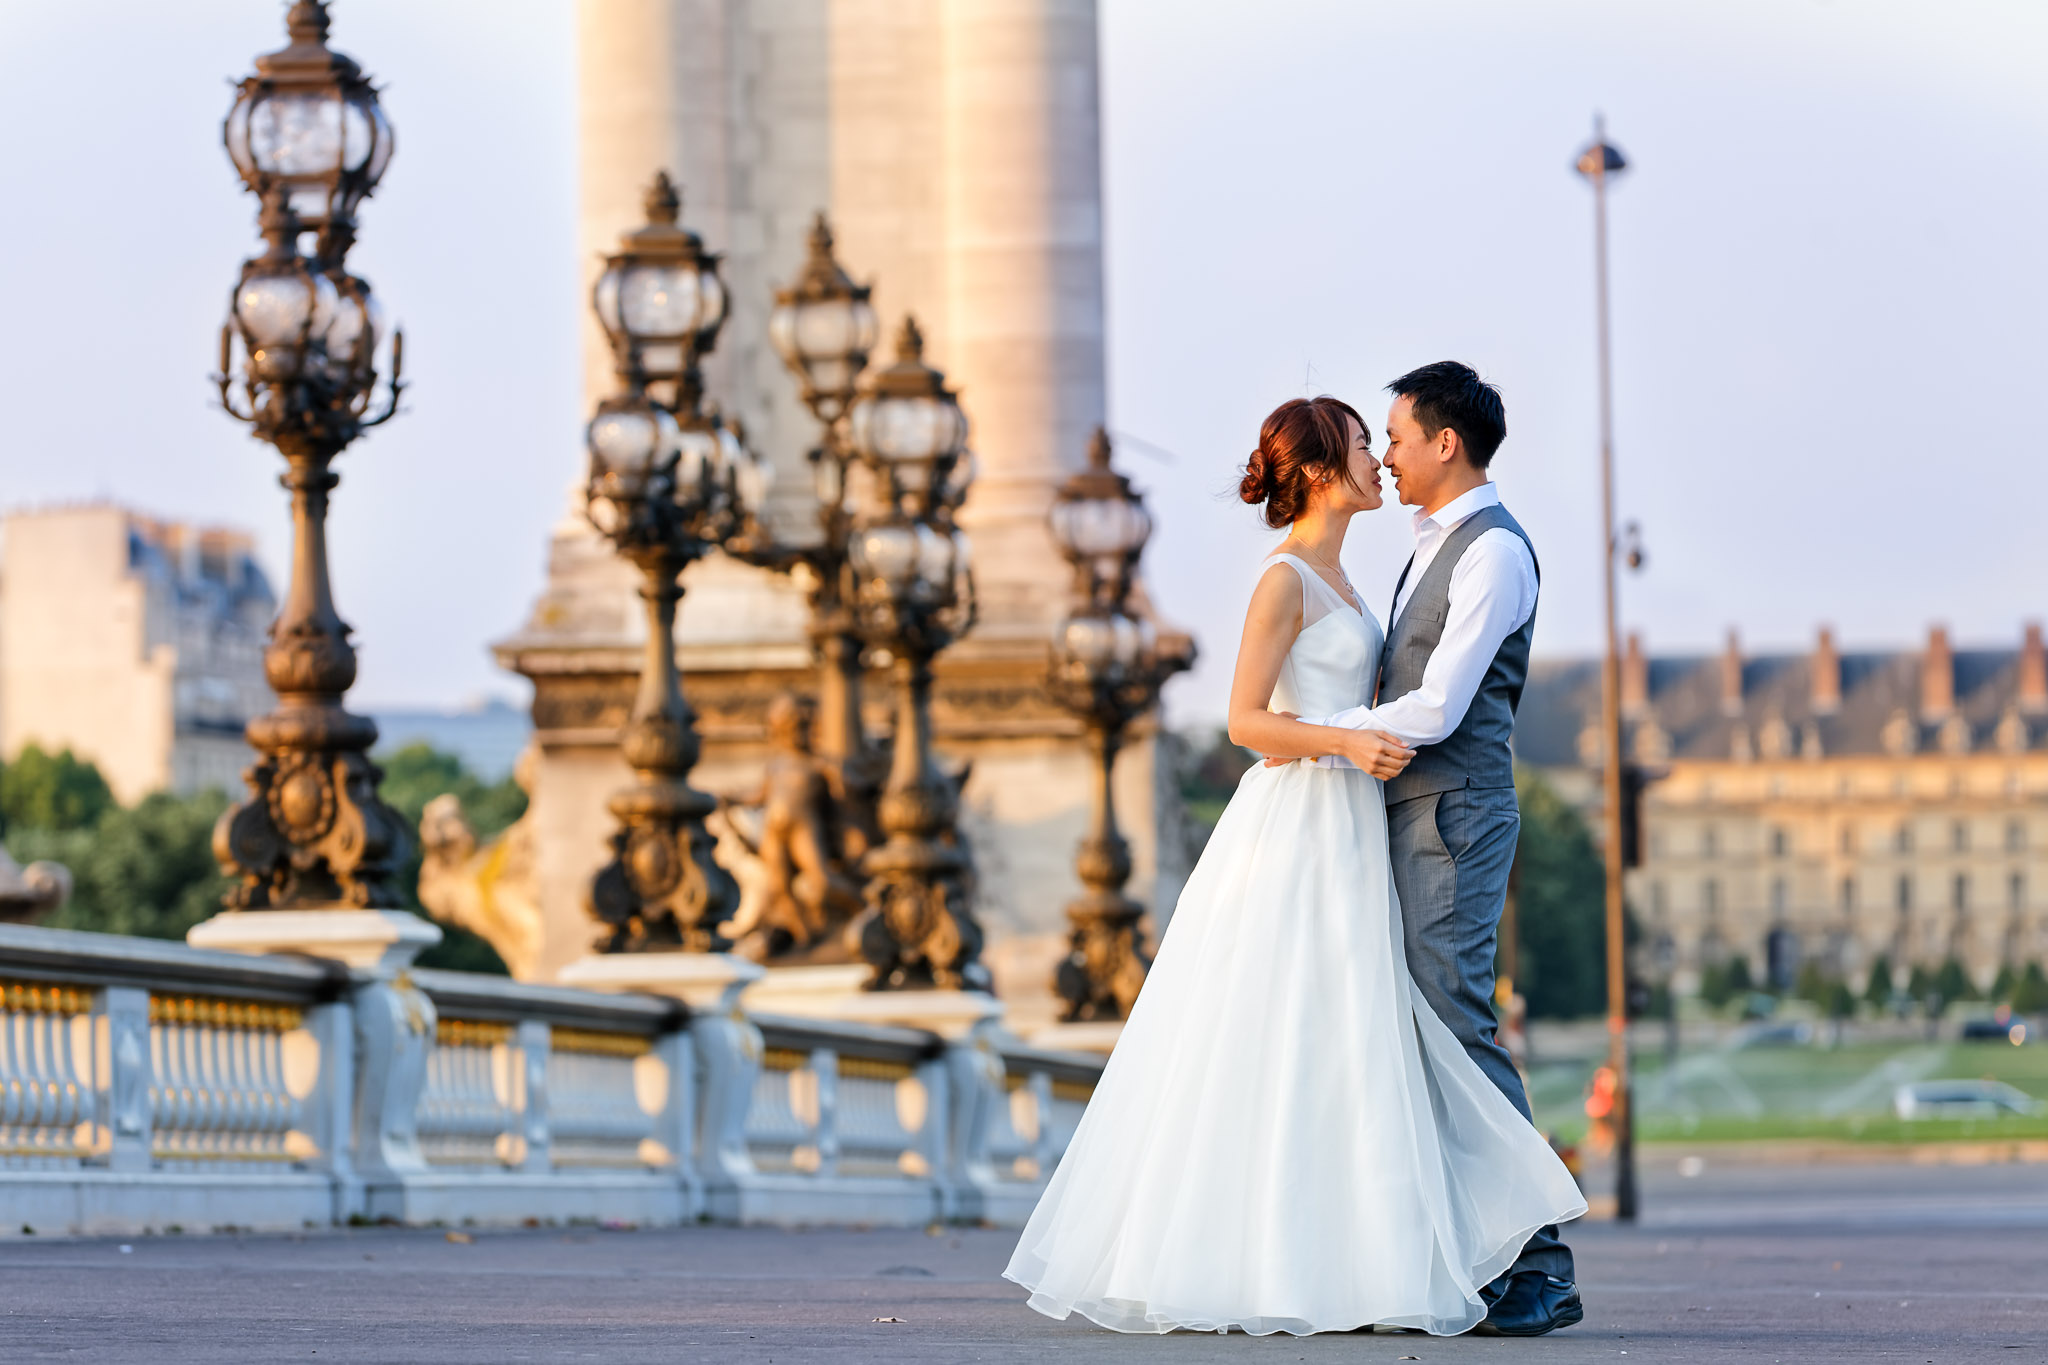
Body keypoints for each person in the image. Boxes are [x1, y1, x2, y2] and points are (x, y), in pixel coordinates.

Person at [1004, 379, 1585, 1337]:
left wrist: (1347, 739)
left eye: (1389, 438)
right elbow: (1245, 720)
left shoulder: (1434, 562)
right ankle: (1363, 1257)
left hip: (1387, 817)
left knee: (1403, 1027)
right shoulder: (1301, 577)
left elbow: (1434, 708)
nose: (1381, 457)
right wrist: (1347, 743)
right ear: (1319, 470)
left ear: (1444, 443)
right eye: (1365, 443)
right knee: (1325, 1031)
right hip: (1318, 817)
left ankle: (1513, 1262)